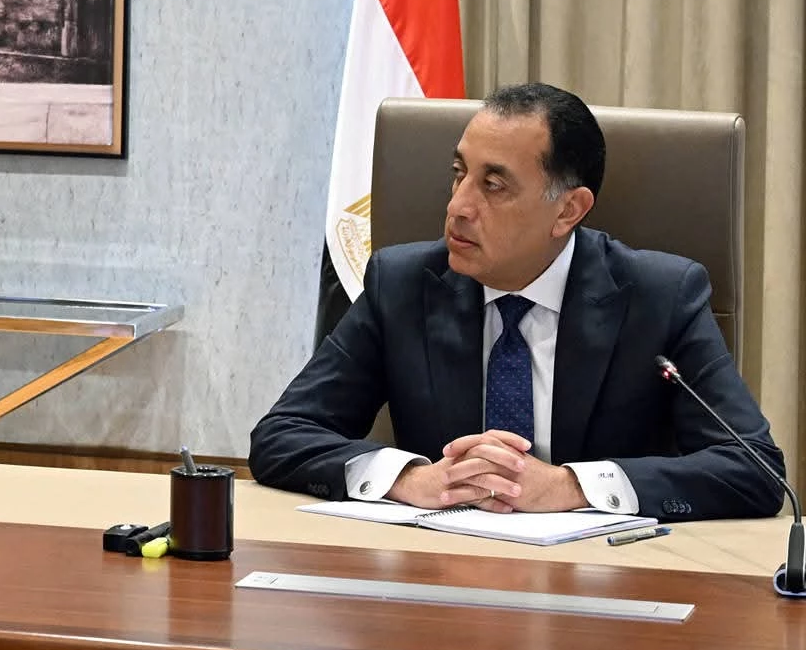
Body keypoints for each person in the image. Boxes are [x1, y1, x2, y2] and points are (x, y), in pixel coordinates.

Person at [250, 83, 784, 522]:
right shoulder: (404, 285)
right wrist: (410, 478)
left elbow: (754, 470)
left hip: (604, 587)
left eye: (494, 185)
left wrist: (571, 487)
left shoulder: (660, 297)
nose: (458, 207)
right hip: (438, 571)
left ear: (568, 211)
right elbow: (282, 436)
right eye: (458, 173)